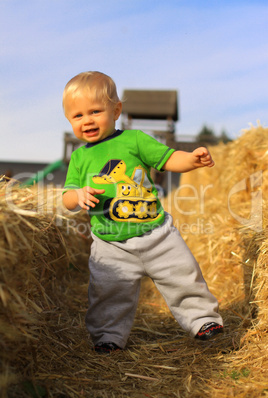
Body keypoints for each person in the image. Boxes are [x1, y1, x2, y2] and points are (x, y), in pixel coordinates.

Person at [62, 71, 223, 354]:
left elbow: (168, 157)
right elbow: (67, 197)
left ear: (116, 110)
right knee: (108, 292)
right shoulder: (79, 157)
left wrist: (191, 160)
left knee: (184, 275)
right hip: (110, 244)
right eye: (77, 116)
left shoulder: (135, 140)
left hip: (157, 235)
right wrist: (78, 195)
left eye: (95, 112)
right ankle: (108, 336)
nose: (86, 120)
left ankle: (203, 320)